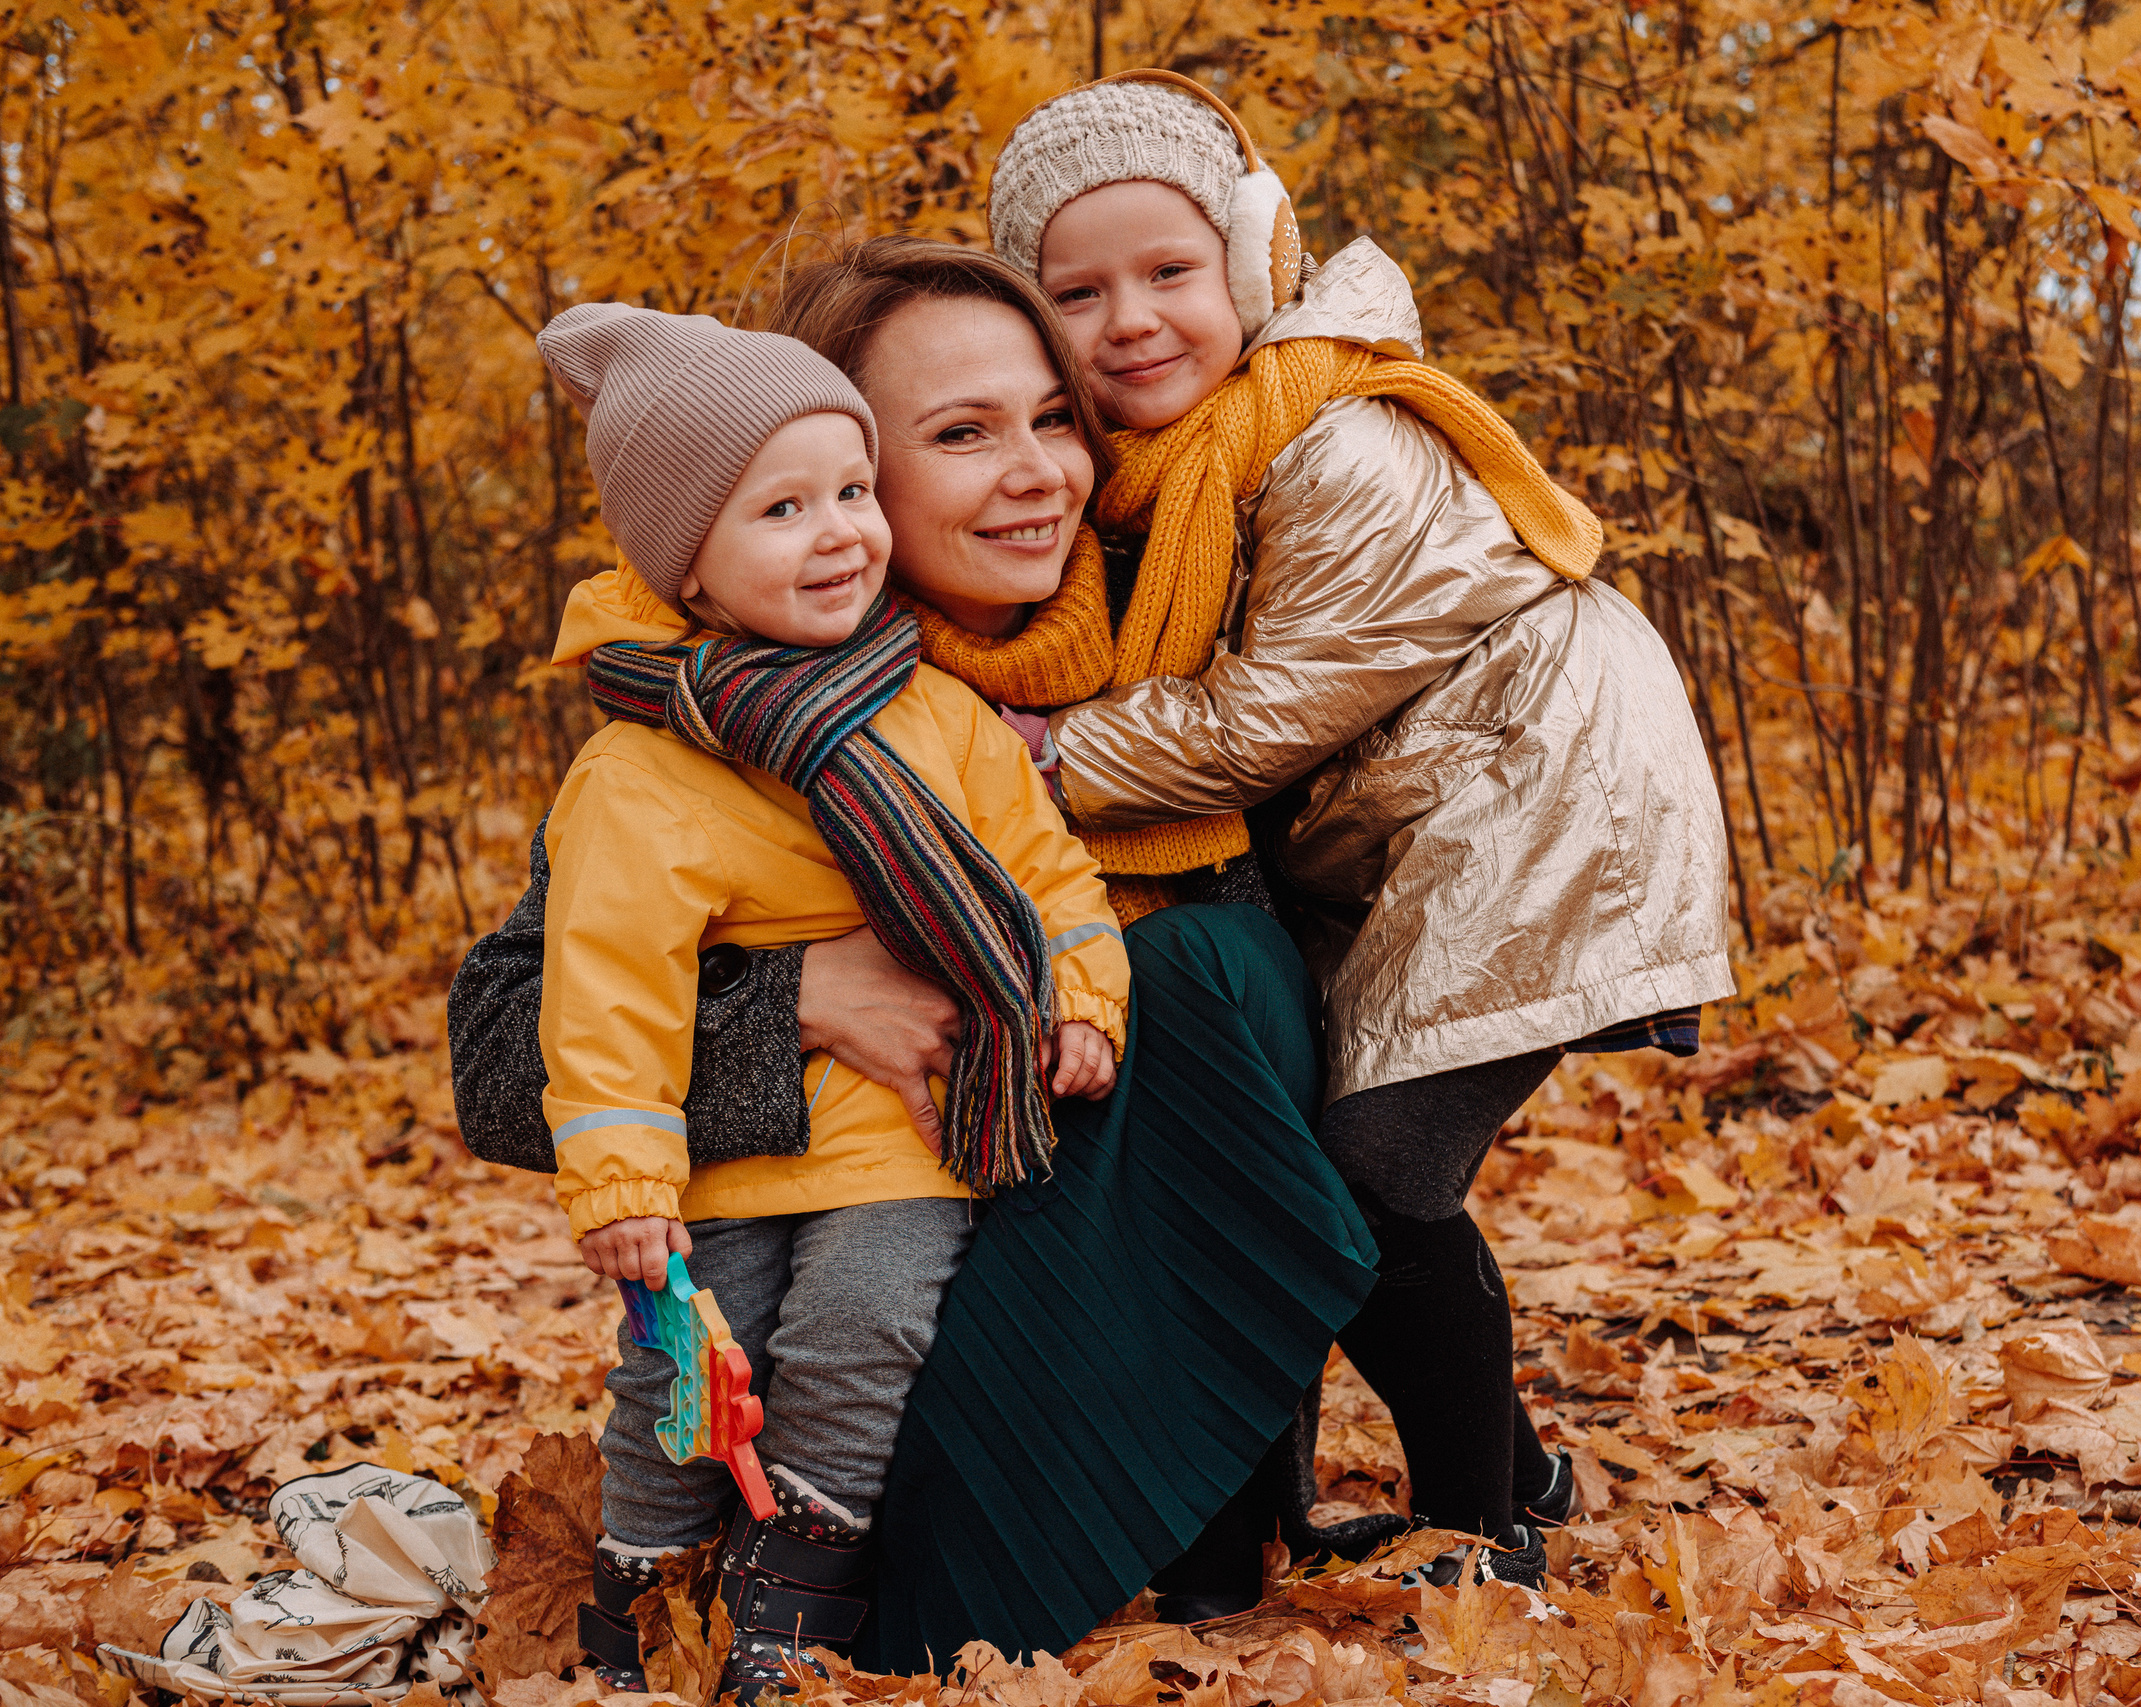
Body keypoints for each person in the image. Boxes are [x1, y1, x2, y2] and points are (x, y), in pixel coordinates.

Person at [450, 246, 1379, 1679]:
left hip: (1110, 1273)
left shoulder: (1204, 638)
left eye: (1055, 419)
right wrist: (798, 998)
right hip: (876, 1299)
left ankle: (1188, 1526)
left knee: (1209, 963)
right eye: (959, 434)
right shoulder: (708, 709)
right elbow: (508, 1052)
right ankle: (769, 1581)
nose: (1037, 474)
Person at [980, 70, 1739, 1593]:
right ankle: (1498, 1473)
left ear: (1254, 262)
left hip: (1538, 796)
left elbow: (1271, 715)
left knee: (1369, 1177)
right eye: (1079, 289)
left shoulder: (1336, 433)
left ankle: (1490, 1521)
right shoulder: (1166, 475)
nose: (1131, 317)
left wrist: (1038, 760)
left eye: (1171, 272)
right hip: (1425, 820)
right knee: (1320, 1162)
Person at [526, 301, 1129, 1697]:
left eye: (852, 491)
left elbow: (1053, 884)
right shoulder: (641, 771)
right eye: (781, 509)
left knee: (859, 1336)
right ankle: (645, 1588)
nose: (842, 531)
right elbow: (603, 991)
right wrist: (621, 1181)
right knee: (685, 1371)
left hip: (907, 1134)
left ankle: (797, 1598)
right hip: (728, 1158)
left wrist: (1084, 996)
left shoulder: (937, 715)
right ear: (684, 565)